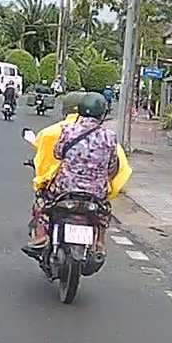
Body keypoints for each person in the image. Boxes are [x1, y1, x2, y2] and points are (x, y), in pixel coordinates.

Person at [23, 92, 132, 253]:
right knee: (104, 211)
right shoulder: (109, 137)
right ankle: (100, 243)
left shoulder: (68, 130)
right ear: (103, 113)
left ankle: (41, 237)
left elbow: (58, 154)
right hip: (96, 192)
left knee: (42, 201)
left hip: (65, 188)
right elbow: (112, 167)